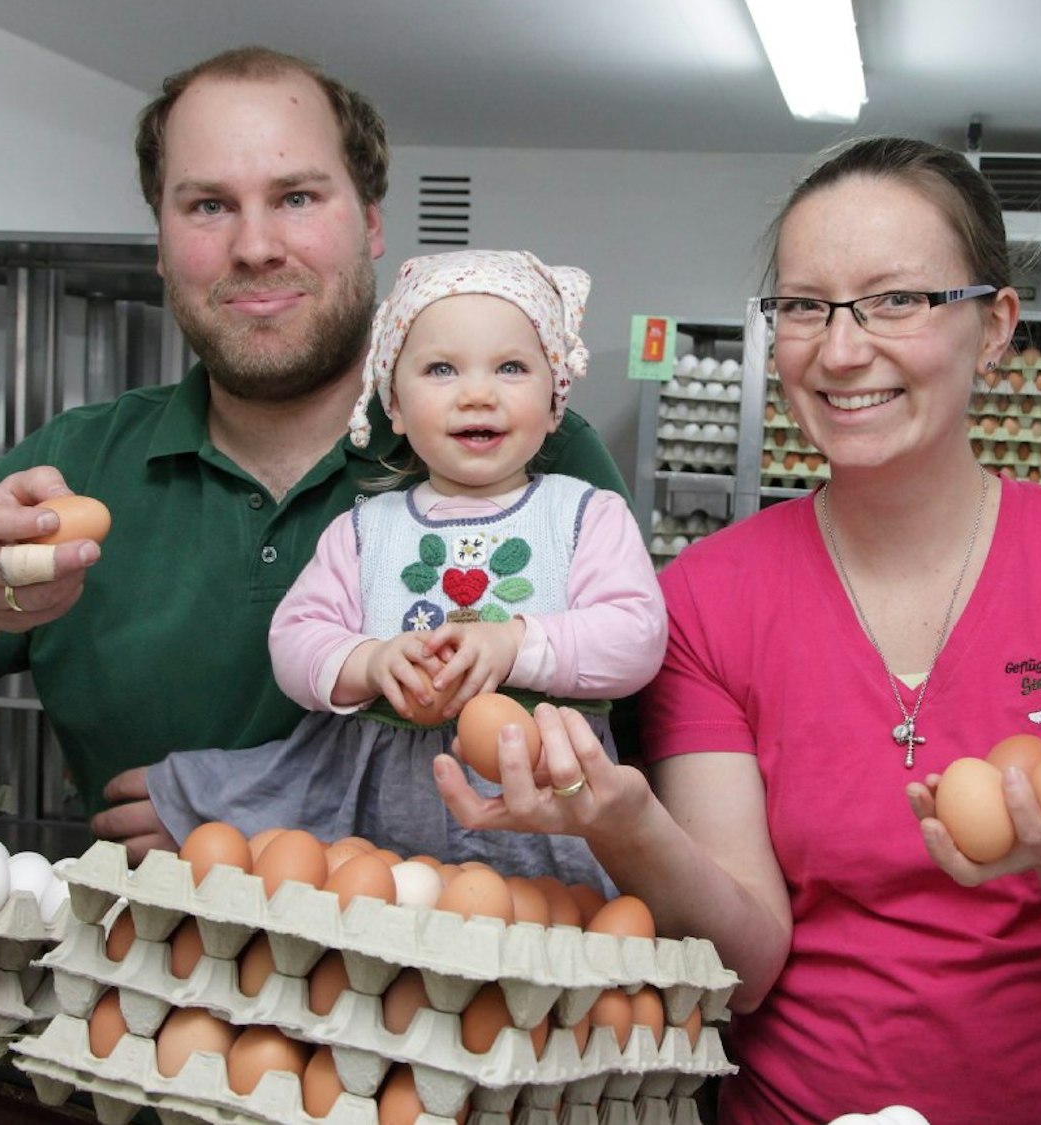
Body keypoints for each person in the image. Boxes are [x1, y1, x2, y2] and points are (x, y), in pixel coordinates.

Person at [435, 136, 1041, 1124]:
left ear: (993, 326)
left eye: (895, 300)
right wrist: (626, 825)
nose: (841, 349)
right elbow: (750, 967)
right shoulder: (710, 596)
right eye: (804, 306)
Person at [0, 48, 630, 862]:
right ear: (162, 247)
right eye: (209, 205)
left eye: (296, 197)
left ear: (369, 224)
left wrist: (265, 826)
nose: (254, 246)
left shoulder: (531, 466)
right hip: (137, 1002)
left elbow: (641, 793)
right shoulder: (81, 464)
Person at [144, 249, 664, 885]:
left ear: (555, 403)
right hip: (372, 799)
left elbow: (637, 637)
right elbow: (295, 636)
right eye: (442, 369)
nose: (478, 393)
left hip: (535, 804)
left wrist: (514, 645)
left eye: (511, 367)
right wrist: (368, 662)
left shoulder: (586, 515)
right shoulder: (366, 530)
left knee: (537, 930)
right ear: (393, 403)